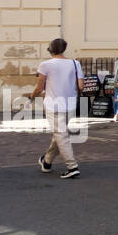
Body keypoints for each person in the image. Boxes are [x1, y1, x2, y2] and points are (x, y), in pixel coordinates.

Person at [27, 37, 81, 179]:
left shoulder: (45, 65)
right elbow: (81, 86)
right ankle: (47, 161)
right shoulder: (75, 63)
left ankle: (72, 166)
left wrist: (32, 96)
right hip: (70, 104)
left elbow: (39, 87)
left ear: (51, 50)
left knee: (61, 136)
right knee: (59, 134)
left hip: (54, 105)